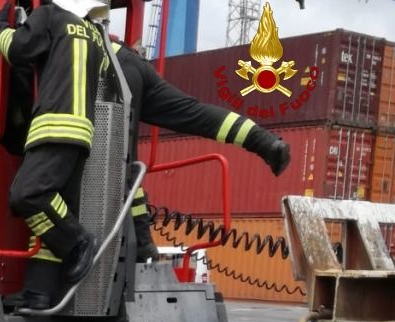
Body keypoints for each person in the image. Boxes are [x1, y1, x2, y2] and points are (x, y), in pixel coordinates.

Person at [111, 40, 290, 262]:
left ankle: (142, 245)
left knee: (120, 163)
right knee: (192, 112)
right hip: (132, 62)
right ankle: (264, 141)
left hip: (108, 65)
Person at [0, 0, 110, 310]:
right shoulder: (95, 33)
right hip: (83, 134)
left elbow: (17, 49)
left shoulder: (50, 15)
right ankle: (38, 292)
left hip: (54, 126)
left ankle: (78, 242)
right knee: (49, 214)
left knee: (26, 195)